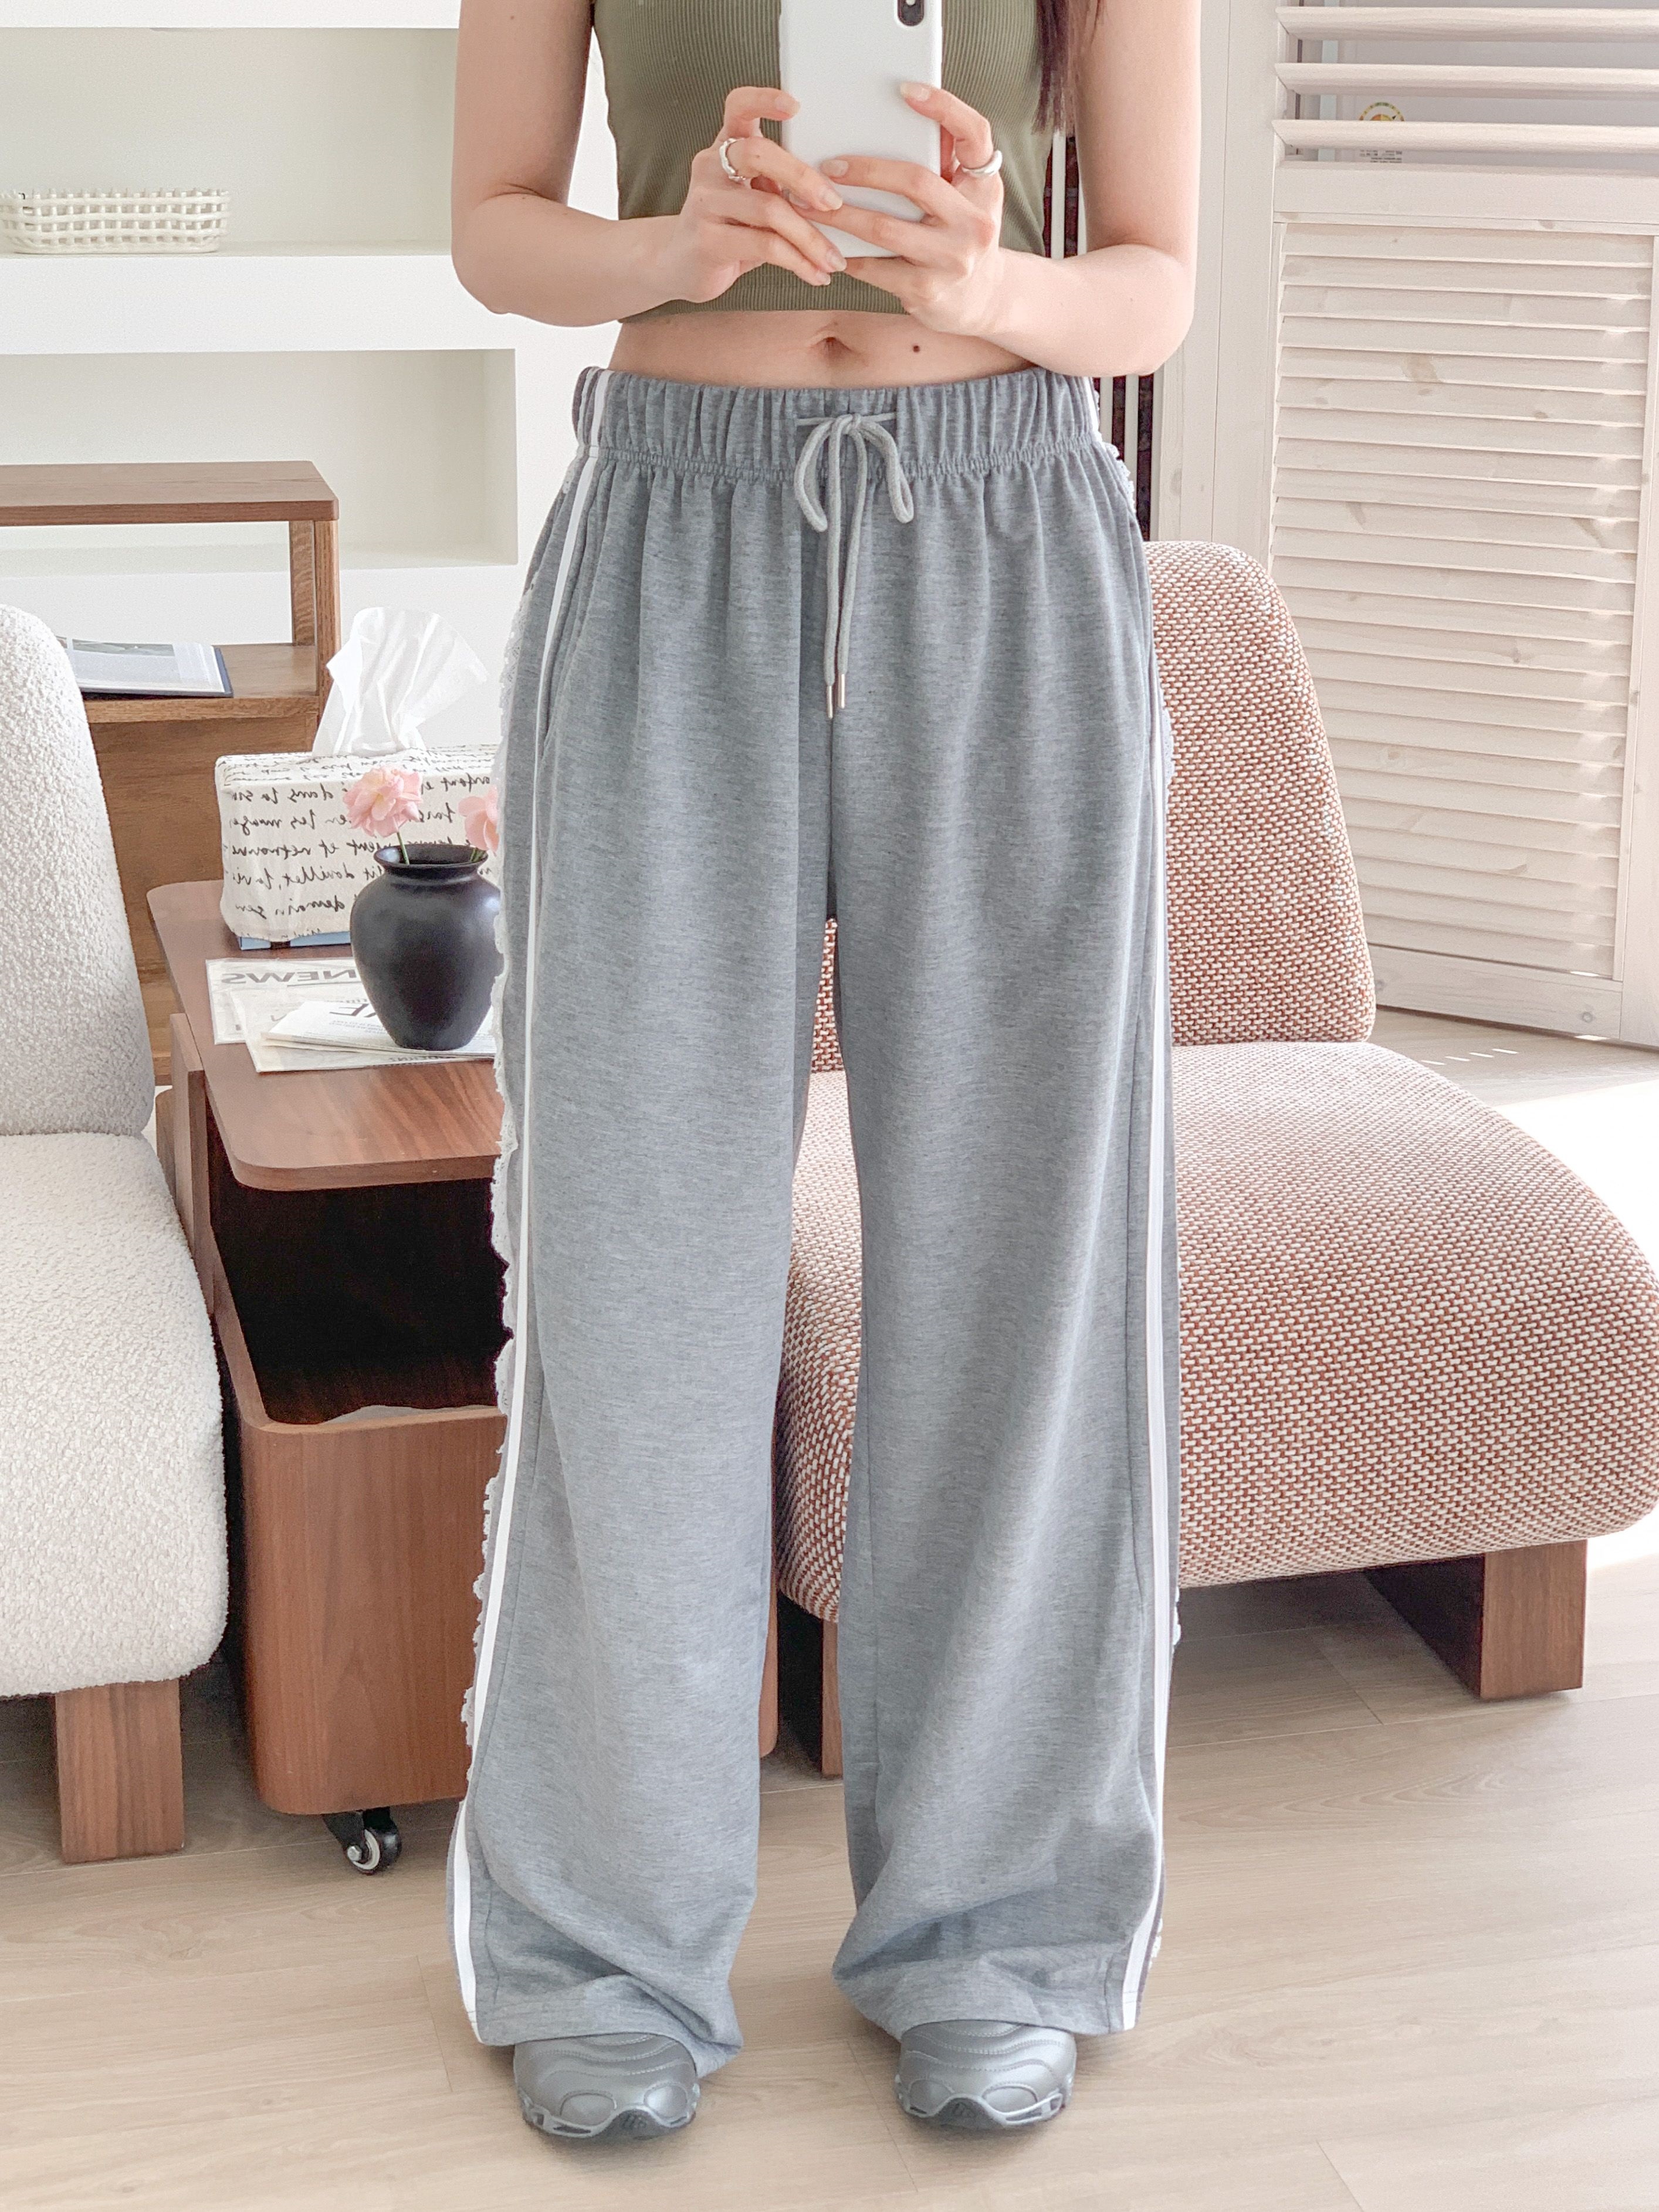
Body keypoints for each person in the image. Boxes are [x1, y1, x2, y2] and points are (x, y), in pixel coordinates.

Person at [448, 0, 1197, 2145]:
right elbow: (495, 226)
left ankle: (997, 1926)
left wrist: (987, 282)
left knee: (1020, 1275)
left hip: (1007, 538)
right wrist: (673, 247)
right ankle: (603, 1942)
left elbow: (1150, 281)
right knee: (634, 1275)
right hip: (671, 535)